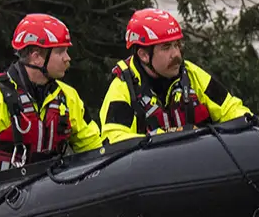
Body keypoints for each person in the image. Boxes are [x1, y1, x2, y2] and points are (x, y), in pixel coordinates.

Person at [0, 13, 102, 184]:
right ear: (36, 55)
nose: (68, 58)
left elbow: (93, 146)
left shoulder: (68, 98)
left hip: (49, 192)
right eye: (60, 51)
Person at [99, 8, 250, 145]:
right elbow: (115, 139)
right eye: (166, 48)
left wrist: (249, 122)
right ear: (144, 55)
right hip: (151, 170)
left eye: (177, 45)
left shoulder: (192, 74)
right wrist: (162, 137)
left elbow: (230, 108)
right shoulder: (123, 88)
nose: (176, 54)